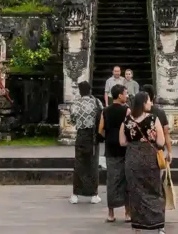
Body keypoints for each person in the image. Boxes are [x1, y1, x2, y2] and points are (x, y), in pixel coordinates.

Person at [120, 91, 167, 232]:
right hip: (150, 159)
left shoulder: (127, 120)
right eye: (148, 101)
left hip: (132, 159)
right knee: (154, 191)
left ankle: (137, 226)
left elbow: (122, 142)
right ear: (143, 103)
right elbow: (161, 141)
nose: (151, 103)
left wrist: (134, 142)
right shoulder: (153, 119)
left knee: (136, 192)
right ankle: (159, 226)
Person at [99, 84, 131, 223]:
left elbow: (100, 129)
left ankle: (111, 213)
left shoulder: (105, 111)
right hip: (125, 149)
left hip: (110, 149)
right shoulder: (127, 110)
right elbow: (131, 128)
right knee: (127, 180)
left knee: (112, 180)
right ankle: (127, 213)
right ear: (119, 95)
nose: (127, 96)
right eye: (125, 93)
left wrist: (108, 137)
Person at [69, 81, 103, 205]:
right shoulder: (96, 102)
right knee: (93, 164)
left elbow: (72, 120)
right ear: (90, 90)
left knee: (79, 164)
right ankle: (94, 194)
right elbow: (102, 116)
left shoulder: (76, 104)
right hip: (93, 135)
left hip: (81, 135)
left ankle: (75, 194)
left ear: (79, 91)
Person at [142, 84, 172, 166]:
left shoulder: (136, 112)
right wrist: (169, 152)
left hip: (139, 151)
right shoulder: (160, 112)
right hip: (157, 150)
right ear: (154, 96)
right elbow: (166, 133)